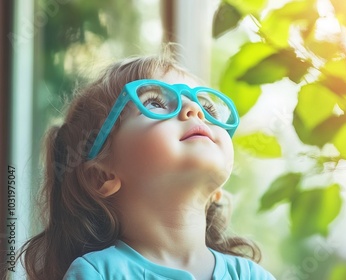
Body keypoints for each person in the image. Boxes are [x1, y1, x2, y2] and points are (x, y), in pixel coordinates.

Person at [18, 45, 276, 280]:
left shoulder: (253, 276)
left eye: (208, 108)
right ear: (102, 176)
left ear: (217, 193)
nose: (194, 110)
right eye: (155, 102)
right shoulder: (97, 274)